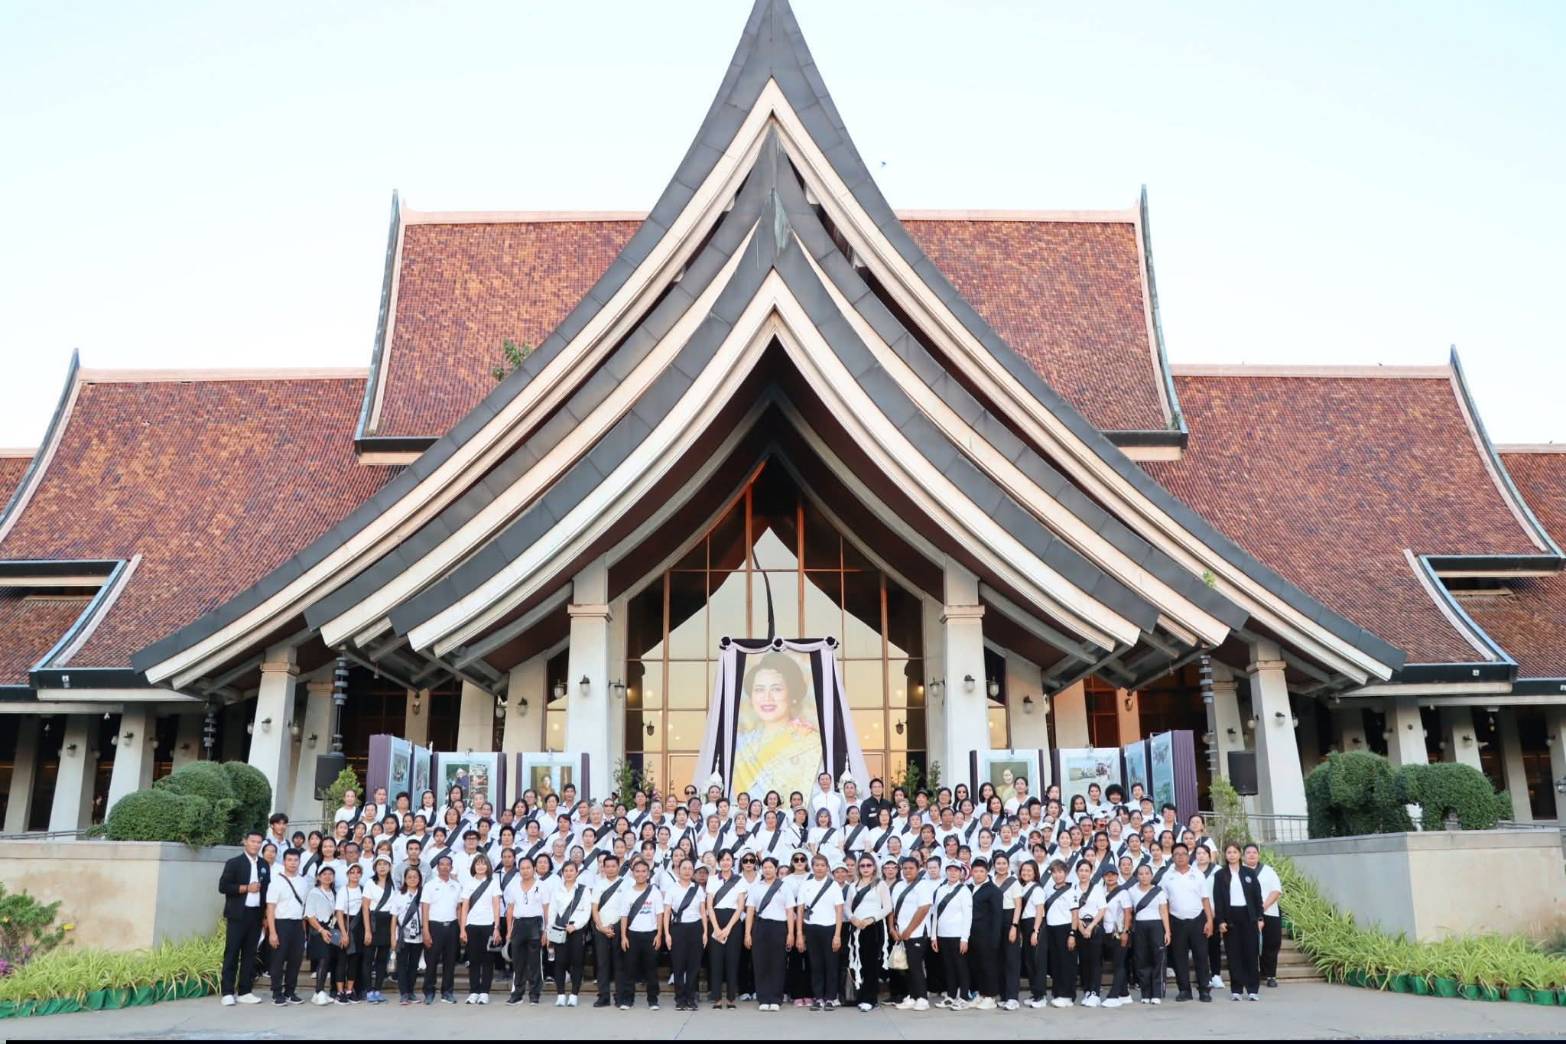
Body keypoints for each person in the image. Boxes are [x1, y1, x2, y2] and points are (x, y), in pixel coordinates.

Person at [732, 654, 823, 798]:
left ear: (792, 694)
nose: (767, 697)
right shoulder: (741, 744)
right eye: (759, 689)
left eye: (776, 689)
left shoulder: (811, 743)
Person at [218, 830, 269, 1006]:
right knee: (232, 952)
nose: (256, 845)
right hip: (238, 915)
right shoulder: (234, 863)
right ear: (245, 842)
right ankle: (227, 992)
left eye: (259, 842)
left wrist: (265, 915)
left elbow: (266, 891)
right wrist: (246, 888)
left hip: (256, 915)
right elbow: (223, 886)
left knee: (250, 954)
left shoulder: (263, 864)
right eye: (253, 841)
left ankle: (245, 991)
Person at [1163, 842, 1214, 1002]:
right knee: (1179, 958)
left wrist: (1209, 921)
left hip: (1198, 920)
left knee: (1201, 956)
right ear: (1172, 857)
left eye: (1183, 854)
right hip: (1176, 921)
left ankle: (1204, 990)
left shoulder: (1197, 874)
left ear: (1188, 856)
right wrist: (1167, 927)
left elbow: (1205, 899)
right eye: (1176, 854)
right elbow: (1164, 903)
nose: (1180, 857)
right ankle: (1184, 990)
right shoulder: (1167, 876)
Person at [1214, 842, 1264, 1000]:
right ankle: (1236, 990)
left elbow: (1257, 897)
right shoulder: (1220, 875)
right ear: (1225, 855)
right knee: (1233, 954)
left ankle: (1252, 990)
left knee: (1251, 953)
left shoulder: (1249, 873)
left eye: (1234, 852)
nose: (1232, 855)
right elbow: (1218, 899)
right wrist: (1220, 921)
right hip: (1230, 917)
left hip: (1248, 916)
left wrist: (1260, 917)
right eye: (1229, 852)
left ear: (1240, 854)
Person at [615, 857, 665, 1010]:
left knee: (651, 969)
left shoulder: (655, 892)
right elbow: (624, 916)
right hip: (632, 935)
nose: (641, 874)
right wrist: (623, 936)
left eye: (644, 871)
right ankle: (627, 999)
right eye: (637, 871)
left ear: (648, 874)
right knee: (629, 969)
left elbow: (659, 914)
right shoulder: (628, 893)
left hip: (650, 934)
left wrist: (659, 935)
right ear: (633, 873)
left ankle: (653, 1000)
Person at [744, 855, 792, 1012]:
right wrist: (748, 933)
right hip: (760, 926)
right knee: (760, 962)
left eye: (770, 867)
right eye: (765, 867)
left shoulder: (784, 887)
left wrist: (791, 933)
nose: (768, 870)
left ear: (776, 869)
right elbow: (750, 911)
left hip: (779, 927)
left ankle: (776, 998)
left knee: (778, 963)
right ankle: (763, 998)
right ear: (761, 869)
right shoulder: (756, 887)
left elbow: (789, 911)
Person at [797, 853, 844, 1010]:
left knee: (831, 964)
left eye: (822, 865)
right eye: (816, 865)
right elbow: (800, 910)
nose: (819, 868)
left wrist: (837, 935)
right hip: (811, 928)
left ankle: (830, 998)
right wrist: (799, 934)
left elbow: (839, 911)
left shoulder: (834, 885)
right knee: (815, 964)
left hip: (830, 928)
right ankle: (818, 997)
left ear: (827, 868)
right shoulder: (806, 884)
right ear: (812, 867)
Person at [844, 854, 888, 1011]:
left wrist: (871, 919)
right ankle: (861, 996)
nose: (865, 868)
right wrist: (852, 918)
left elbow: (887, 907)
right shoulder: (853, 886)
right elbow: (847, 907)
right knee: (859, 962)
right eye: (862, 865)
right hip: (856, 928)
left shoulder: (880, 884)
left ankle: (870, 998)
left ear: (874, 867)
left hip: (873, 927)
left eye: (869, 865)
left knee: (871, 964)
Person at [889, 857, 934, 1010]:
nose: (907, 871)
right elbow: (892, 909)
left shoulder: (923, 885)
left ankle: (922, 998)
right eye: (905, 868)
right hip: (900, 933)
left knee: (915, 965)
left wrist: (909, 930)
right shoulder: (898, 886)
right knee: (905, 966)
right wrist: (892, 928)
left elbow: (923, 909)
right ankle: (912, 996)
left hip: (917, 932)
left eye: (911, 868)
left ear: (918, 869)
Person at [264, 847, 307, 1006]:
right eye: (289, 860)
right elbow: (270, 908)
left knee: (295, 960)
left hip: (298, 924)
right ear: (284, 862)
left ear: (299, 862)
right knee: (278, 959)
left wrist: (303, 929)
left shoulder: (303, 882)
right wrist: (272, 932)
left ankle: (290, 991)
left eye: (295, 860)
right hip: (280, 923)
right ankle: (277, 993)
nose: (292, 863)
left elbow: (304, 907)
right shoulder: (276, 881)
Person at [664, 856, 707, 1011]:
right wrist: (667, 934)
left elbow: (703, 912)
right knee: (678, 965)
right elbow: (667, 913)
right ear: (679, 870)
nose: (687, 871)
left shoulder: (698, 889)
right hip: (678, 929)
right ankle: (680, 998)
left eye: (690, 868)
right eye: (684, 868)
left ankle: (691, 998)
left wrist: (705, 932)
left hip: (696, 928)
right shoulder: (672, 889)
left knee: (693, 966)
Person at [705, 849, 747, 1008]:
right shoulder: (712, 879)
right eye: (722, 860)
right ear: (718, 862)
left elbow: (740, 906)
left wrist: (728, 928)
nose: (725, 862)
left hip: (733, 922)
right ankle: (716, 998)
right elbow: (709, 905)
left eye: (728, 859)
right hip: (715, 920)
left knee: (732, 960)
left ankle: (730, 998)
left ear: (732, 862)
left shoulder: (740, 880)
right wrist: (716, 928)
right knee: (715, 961)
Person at [458, 852, 500, 1004]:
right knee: (473, 960)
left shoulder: (493, 882)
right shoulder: (468, 883)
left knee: (488, 960)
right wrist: (462, 929)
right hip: (472, 925)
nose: (480, 866)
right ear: (473, 866)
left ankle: (484, 992)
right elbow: (464, 907)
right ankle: (474, 991)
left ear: (487, 866)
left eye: (483, 863)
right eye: (478, 864)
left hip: (488, 925)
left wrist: (496, 927)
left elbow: (496, 906)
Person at [504, 855, 546, 1005]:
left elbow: (546, 908)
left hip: (535, 924)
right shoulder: (514, 886)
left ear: (534, 869)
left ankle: (535, 994)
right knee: (518, 962)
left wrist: (545, 930)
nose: (525, 871)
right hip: (518, 924)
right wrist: (509, 930)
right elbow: (510, 909)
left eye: (528, 868)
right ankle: (517, 994)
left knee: (534, 962)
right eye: (522, 868)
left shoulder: (542, 885)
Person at [420, 855, 463, 1004]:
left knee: (450, 961)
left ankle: (447, 992)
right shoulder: (430, 885)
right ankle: (429, 992)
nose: (445, 867)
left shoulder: (456, 885)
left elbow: (459, 908)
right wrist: (425, 930)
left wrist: (461, 929)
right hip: (434, 926)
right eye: (442, 864)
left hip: (452, 926)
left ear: (451, 867)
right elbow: (425, 909)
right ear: (437, 867)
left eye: (447, 864)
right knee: (431, 962)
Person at [548, 859, 592, 1006]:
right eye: (565, 871)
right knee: (559, 963)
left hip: (576, 931)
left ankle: (574, 995)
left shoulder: (583, 890)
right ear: (562, 873)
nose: (568, 873)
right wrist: (549, 931)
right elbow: (552, 911)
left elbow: (587, 912)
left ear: (577, 872)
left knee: (577, 963)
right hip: (559, 930)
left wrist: (576, 926)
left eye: (571, 870)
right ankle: (560, 994)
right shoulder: (557, 890)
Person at [930, 860, 972, 1009]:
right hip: (942, 934)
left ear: (960, 873)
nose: (953, 873)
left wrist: (965, 938)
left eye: (956, 870)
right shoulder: (941, 890)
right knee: (948, 967)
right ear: (946, 871)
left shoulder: (964, 891)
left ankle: (964, 997)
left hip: (958, 935)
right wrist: (933, 936)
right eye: (950, 870)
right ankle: (951, 995)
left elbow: (968, 916)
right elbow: (935, 914)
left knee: (961, 967)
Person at [1126, 863, 1171, 1004]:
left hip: (1156, 926)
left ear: (1151, 875)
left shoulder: (1158, 891)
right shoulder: (1132, 891)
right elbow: (1129, 911)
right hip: (1139, 927)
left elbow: (1164, 911)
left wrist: (1167, 931)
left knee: (1158, 959)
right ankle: (1145, 993)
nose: (1144, 876)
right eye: (1141, 874)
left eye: (1147, 873)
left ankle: (1157, 993)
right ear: (1137, 876)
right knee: (1141, 959)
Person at [590, 853, 627, 1007]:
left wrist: (616, 927)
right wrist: (601, 927)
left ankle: (620, 996)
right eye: (608, 866)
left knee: (620, 964)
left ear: (618, 867)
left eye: (613, 866)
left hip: (619, 927)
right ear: (603, 868)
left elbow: (628, 908)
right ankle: (603, 996)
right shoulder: (598, 885)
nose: (611, 869)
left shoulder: (626, 883)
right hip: (601, 928)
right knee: (602, 963)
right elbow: (594, 909)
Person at [1247, 844, 1285, 988]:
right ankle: (1253, 973)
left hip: (1270, 912)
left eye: (1254, 852)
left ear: (1258, 855)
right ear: (1243, 856)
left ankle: (1270, 975)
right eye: (1248, 852)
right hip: (1248, 914)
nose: (1251, 855)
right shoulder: (1240, 871)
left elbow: (1276, 891)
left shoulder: (1268, 871)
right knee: (1251, 945)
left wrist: (1263, 907)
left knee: (1271, 944)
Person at [304, 865, 342, 1005]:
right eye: (324, 874)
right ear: (318, 877)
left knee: (330, 960)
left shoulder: (334, 893)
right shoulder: (314, 893)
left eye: (330, 874)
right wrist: (321, 930)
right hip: (319, 928)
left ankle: (324, 992)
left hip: (332, 928)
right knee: (323, 959)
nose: (327, 876)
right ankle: (318, 992)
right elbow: (310, 915)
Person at [361, 855, 396, 1004]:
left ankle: (377, 990)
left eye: (385, 864)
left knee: (382, 959)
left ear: (390, 867)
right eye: (379, 864)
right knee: (368, 959)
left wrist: (393, 933)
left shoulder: (393, 884)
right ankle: (368, 990)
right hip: (373, 921)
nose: (382, 867)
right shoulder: (370, 883)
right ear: (375, 867)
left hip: (388, 922)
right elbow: (365, 907)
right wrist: (367, 930)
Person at [390, 866, 425, 1006]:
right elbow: (394, 918)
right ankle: (403, 993)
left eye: (415, 877)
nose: (412, 879)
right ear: (404, 879)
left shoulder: (423, 894)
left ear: (419, 879)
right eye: (409, 877)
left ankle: (411, 992)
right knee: (402, 964)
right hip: (402, 936)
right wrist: (393, 937)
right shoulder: (399, 895)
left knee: (413, 965)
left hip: (418, 935)